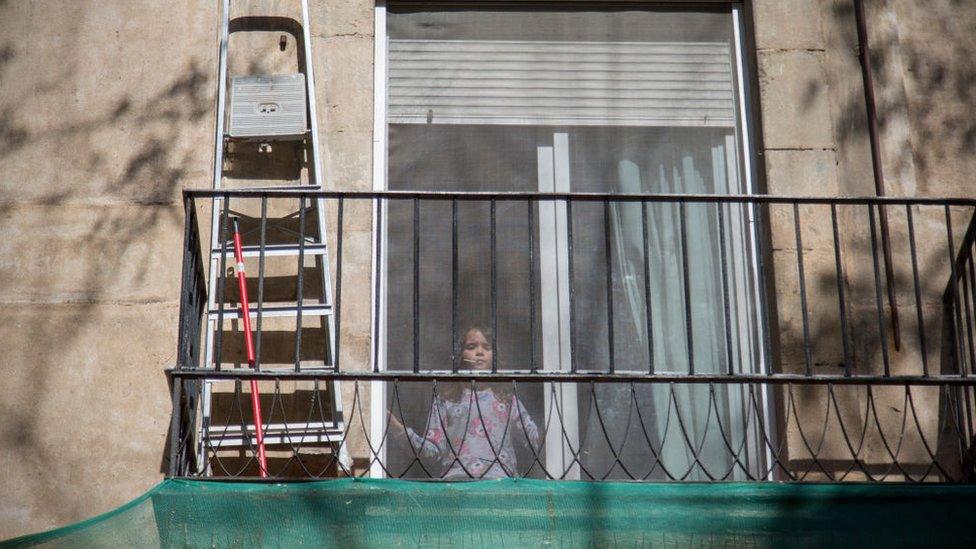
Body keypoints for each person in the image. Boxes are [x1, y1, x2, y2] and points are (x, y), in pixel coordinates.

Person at [388, 327, 541, 479]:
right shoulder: (445, 400)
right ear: (461, 354)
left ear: (495, 356)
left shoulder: (507, 399)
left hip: (499, 483)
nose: (479, 352)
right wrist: (398, 430)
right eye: (471, 346)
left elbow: (534, 437)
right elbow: (432, 450)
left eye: (486, 347)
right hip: (457, 483)